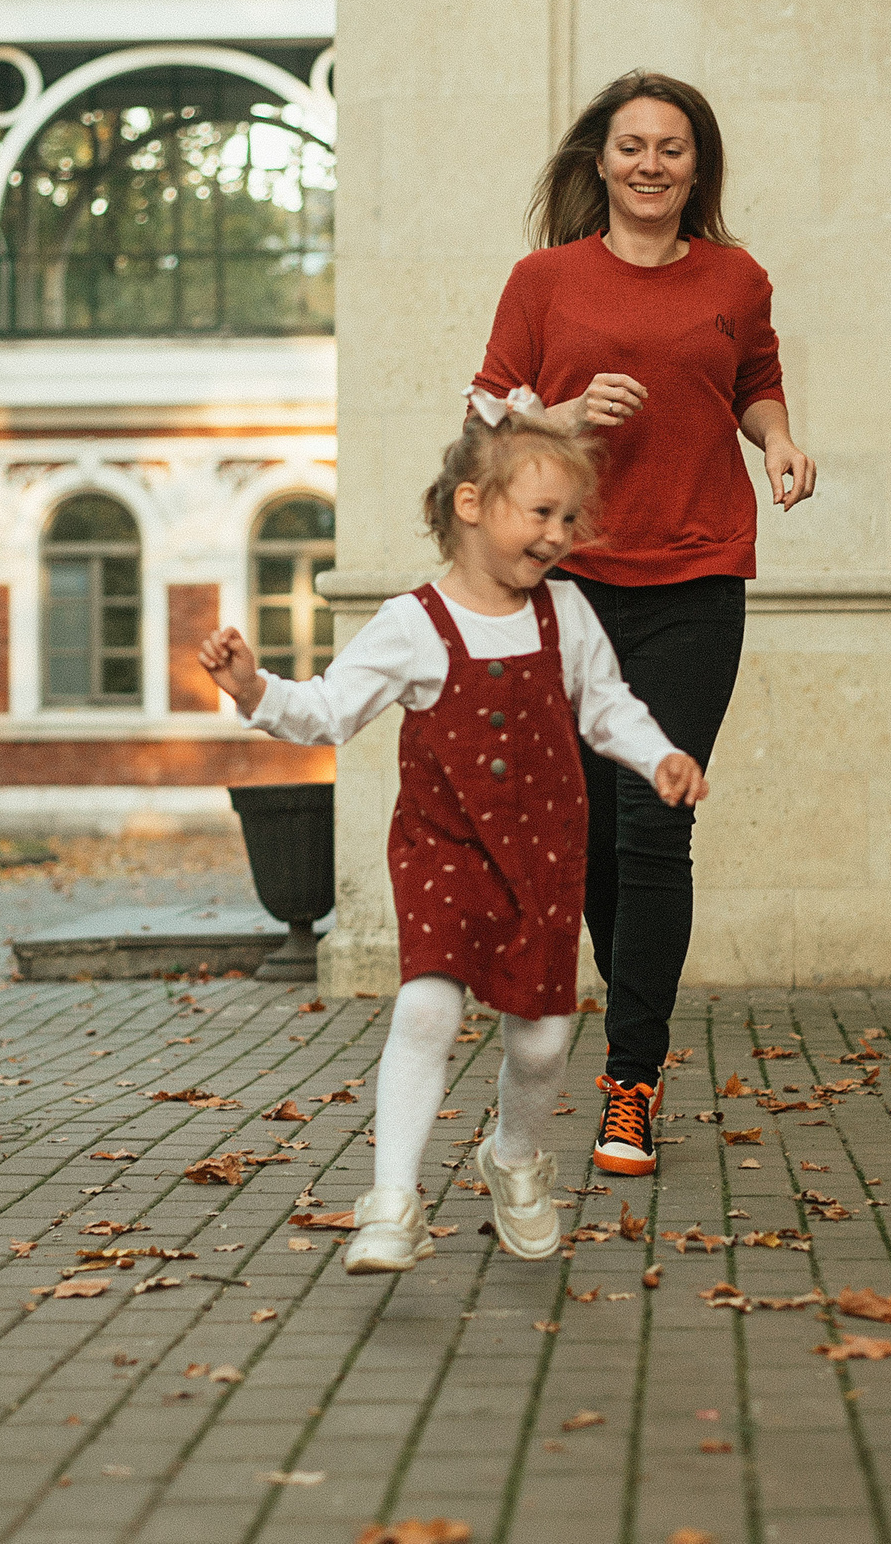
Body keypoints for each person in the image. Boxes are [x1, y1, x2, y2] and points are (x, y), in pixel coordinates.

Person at [200, 395, 705, 1272]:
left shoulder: (566, 616)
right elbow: (325, 710)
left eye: (568, 518)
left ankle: (513, 1157)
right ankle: (392, 1199)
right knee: (428, 1008)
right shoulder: (411, 624)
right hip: (444, 850)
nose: (556, 534)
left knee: (542, 1036)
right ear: (471, 503)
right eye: (539, 512)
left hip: (544, 855)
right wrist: (254, 689)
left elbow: (610, 706)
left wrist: (658, 756)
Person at [474, 69, 817, 1178]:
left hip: (695, 577)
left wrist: (774, 439)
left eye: (672, 149)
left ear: (696, 166)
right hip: (565, 584)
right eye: (632, 147)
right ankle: (642, 1001)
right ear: (601, 160)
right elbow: (486, 416)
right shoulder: (543, 279)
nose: (651, 165)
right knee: (587, 834)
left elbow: (753, 377)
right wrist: (563, 415)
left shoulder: (736, 275)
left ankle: (631, 1080)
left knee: (653, 815)